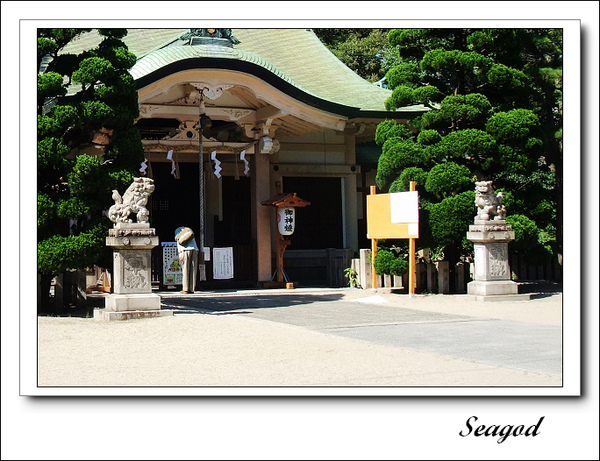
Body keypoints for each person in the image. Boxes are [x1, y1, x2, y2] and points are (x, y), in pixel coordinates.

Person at [174, 226, 199, 294]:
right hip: (195, 249)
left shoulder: (178, 230)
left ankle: (185, 288)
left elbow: (179, 242)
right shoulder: (189, 229)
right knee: (193, 269)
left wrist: (180, 252)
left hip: (185, 250)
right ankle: (192, 288)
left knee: (186, 269)